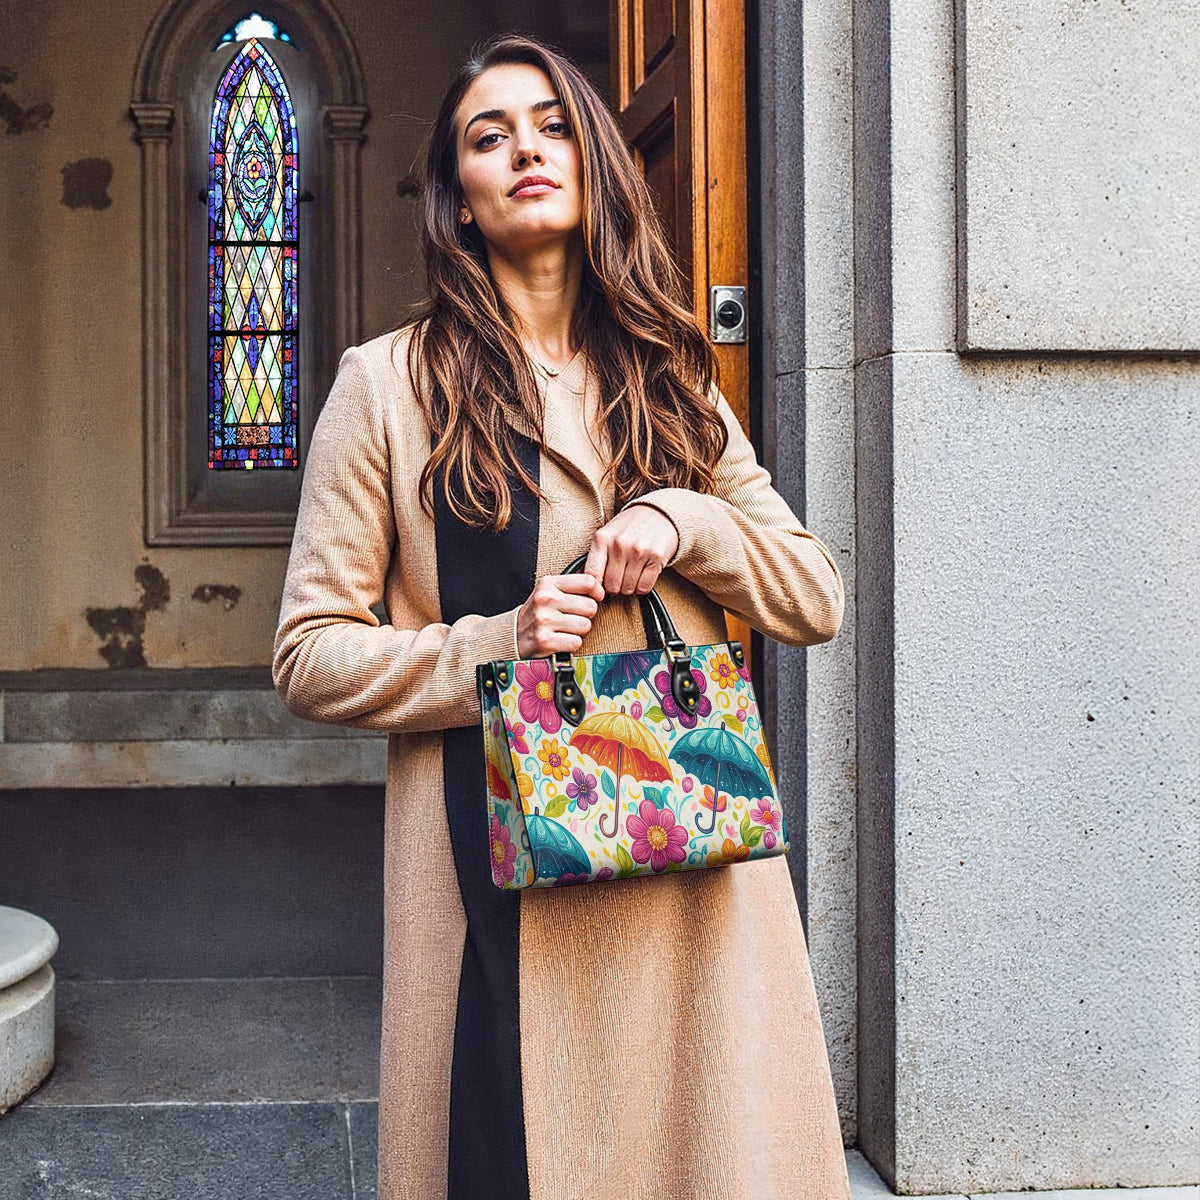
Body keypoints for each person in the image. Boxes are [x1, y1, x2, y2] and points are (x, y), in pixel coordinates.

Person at [273, 32, 851, 1200]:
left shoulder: (669, 377)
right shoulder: (385, 387)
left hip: (683, 858)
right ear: (460, 201)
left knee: (693, 1149)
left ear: (592, 164)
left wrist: (686, 521)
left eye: (549, 125)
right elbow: (308, 653)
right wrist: (500, 644)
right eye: (490, 137)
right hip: (498, 861)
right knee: (517, 1153)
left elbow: (814, 595)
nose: (526, 149)